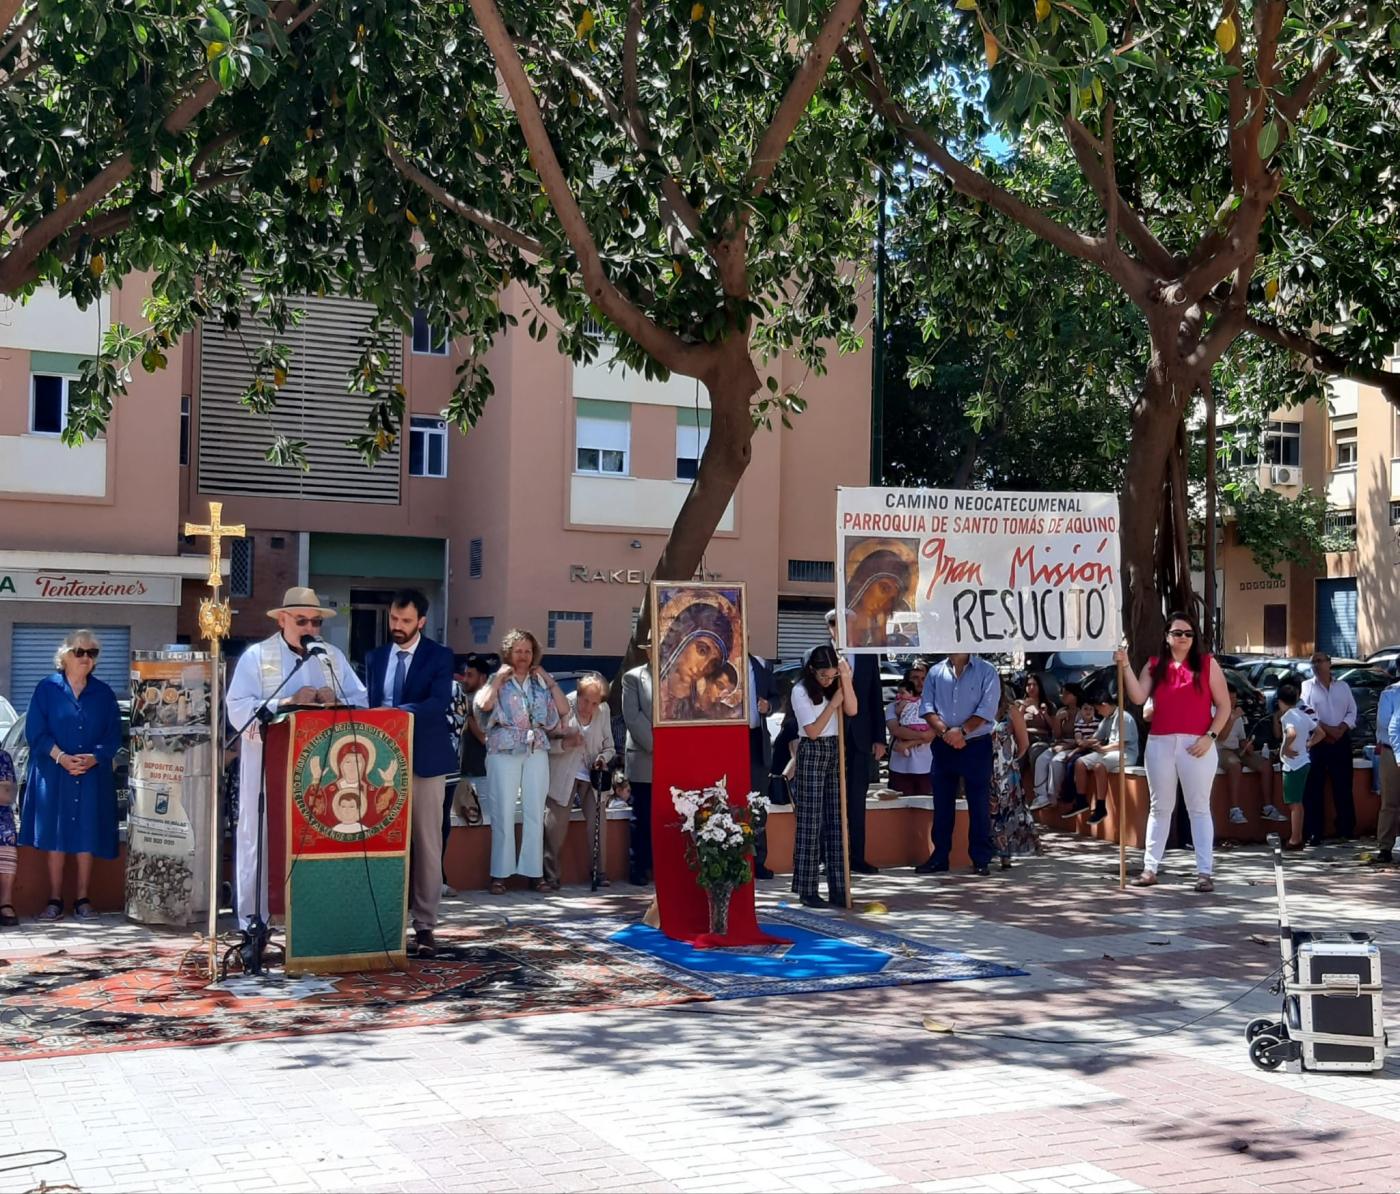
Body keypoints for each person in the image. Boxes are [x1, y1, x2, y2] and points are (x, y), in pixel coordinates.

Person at [226, 587, 368, 928]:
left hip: (319, 770)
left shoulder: (331, 656)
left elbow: (361, 700)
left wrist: (336, 698)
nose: (310, 629)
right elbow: (238, 708)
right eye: (301, 621)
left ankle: (315, 919)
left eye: (316, 622)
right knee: (259, 838)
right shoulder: (257, 657)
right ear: (282, 619)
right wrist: (287, 702)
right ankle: (253, 920)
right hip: (268, 768)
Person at [365, 589, 456, 959]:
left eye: (405, 621)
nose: (397, 627)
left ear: (421, 621)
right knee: (380, 842)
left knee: (427, 845)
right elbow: (368, 703)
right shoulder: (374, 657)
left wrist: (394, 716)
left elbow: (437, 703)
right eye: (393, 620)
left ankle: (425, 926)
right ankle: (383, 921)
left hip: (425, 761)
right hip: (379, 765)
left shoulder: (440, 656)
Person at [1116, 611, 1231, 892]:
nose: (1183, 638)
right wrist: (1126, 666)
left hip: (1197, 743)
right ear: (1167, 637)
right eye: (1177, 633)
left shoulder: (1207, 664)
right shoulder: (1154, 666)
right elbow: (1138, 697)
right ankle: (1150, 868)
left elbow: (1224, 706)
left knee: (1199, 808)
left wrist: (1210, 737)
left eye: (1188, 633)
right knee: (1160, 807)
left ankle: (1205, 872)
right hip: (1161, 742)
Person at [19, 629, 124, 921]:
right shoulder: (46, 689)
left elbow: (114, 734)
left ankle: (82, 898)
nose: (86, 658)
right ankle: (54, 898)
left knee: (87, 833)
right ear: (64, 655)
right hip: (54, 775)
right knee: (55, 833)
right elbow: (35, 733)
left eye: (92, 653)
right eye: (80, 652)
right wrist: (61, 757)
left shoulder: (103, 693)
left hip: (91, 774)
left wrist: (95, 757)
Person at [475, 628, 570, 893]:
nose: (523, 656)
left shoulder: (539, 683)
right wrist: (496, 682)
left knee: (533, 811)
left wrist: (549, 680)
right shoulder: (499, 680)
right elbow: (482, 706)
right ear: (508, 653)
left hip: (535, 748)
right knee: (503, 809)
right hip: (504, 748)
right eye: (518, 651)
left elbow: (562, 711)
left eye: (528, 651)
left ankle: (534, 872)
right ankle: (500, 874)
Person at [917, 652, 1000, 877]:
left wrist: (962, 732)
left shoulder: (987, 671)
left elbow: (987, 709)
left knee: (979, 804)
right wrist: (947, 732)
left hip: (975, 744)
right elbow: (926, 707)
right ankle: (940, 856)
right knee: (942, 803)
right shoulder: (935, 672)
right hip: (944, 743)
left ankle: (981, 858)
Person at [790, 644, 857, 908]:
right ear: (811, 671)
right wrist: (833, 705)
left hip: (835, 748)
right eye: (824, 676)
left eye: (832, 676)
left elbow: (852, 710)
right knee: (811, 821)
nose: (828, 681)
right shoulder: (800, 691)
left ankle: (840, 886)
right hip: (813, 749)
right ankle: (807, 888)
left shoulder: (836, 685)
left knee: (837, 818)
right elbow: (814, 730)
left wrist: (846, 681)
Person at [826, 608, 886, 875]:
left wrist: (879, 738)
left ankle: (857, 858)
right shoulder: (820, 655)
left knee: (857, 800)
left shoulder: (867, 656)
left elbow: (875, 698)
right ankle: (832, 859)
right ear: (831, 628)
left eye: (851, 624)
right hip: (830, 736)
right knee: (831, 799)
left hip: (860, 739)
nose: (846, 629)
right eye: (838, 625)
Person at [545, 673, 615, 889]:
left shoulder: (603, 711)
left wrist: (603, 759)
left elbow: (609, 747)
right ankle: (551, 876)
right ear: (579, 693)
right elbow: (546, 743)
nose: (589, 707)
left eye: (595, 703)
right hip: (563, 773)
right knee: (555, 826)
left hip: (591, 776)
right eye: (586, 700)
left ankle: (599, 872)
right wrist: (566, 744)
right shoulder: (563, 706)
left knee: (598, 823)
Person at [1300, 652, 1358, 844]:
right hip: (1318, 740)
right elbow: (1306, 712)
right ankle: (1314, 832)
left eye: (1319, 661)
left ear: (1329, 663)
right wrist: (1326, 730)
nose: (1316, 665)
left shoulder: (1343, 686)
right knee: (1314, 788)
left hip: (1340, 740)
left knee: (1343, 786)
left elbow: (1352, 711)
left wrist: (1340, 729)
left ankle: (1345, 828)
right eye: (1313, 662)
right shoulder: (1307, 686)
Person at [1070, 688, 1141, 826]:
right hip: (1109, 752)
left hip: (1126, 753)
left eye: (1098, 709)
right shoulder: (1107, 718)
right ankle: (1081, 800)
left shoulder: (1123, 717)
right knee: (1080, 762)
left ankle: (1101, 806)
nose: (1098, 712)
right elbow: (1097, 736)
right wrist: (1083, 742)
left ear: (1105, 705)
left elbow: (1121, 744)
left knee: (1099, 766)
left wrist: (1102, 748)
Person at [1217, 688, 1287, 826]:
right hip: (1220, 749)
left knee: (1266, 765)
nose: (1233, 701)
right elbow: (1221, 737)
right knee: (1234, 764)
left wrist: (1247, 745)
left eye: (1234, 698)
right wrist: (1232, 718)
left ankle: (1267, 808)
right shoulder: (1216, 712)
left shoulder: (1237, 714)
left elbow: (1241, 738)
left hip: (1237, 748)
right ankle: (1235, 810)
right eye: (1230, 698)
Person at [657, 601, 736, 722]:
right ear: (682, 638)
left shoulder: (694, 706)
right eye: (702, 650)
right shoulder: (651, 684)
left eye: (713, 663)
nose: (703, 667)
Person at [989, 682, 1034, 868]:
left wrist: (1010, 763)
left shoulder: (1012, 711)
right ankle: (988, 851)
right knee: (988, 811)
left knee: (1007, 811)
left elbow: (1024, 743)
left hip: (1006, 771)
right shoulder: (980, 709)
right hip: (984, 767)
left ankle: (1006, 855)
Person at [621, 658, 654, 885]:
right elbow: (632, 717)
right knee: (642, 816)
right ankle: (638, 867)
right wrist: (658, 745)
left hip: (673, 760)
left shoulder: (681, 675)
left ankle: (660, 866)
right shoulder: (633, 677)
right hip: (645, 756)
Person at [1279, 681, 1324, 850]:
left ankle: (1295, 838)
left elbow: (1291, 733)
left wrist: (1284, 749)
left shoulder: (1287, 716)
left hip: (1293, 764)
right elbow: (1320, 732)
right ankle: (1297, 835)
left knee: (1294, 803)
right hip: (1304, 760)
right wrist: (1309, 744)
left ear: (1280, 701)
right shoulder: (1302, 714)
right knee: (1298, 802)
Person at [747, 654, 776, 879]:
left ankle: (759, 861)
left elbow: (776, 696)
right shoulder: (719, 663)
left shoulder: (761, 664)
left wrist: (769, 706)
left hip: (756, 740)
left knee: (758, 803)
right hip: (729, 738)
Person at [886, 675, 934, 795]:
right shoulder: (893, 706)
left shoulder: (933, 705)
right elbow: (896, 730)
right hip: (899, 768)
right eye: (914, 678)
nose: (919, 682)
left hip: (927, 767)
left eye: (923, 678)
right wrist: (922, 736)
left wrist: (909, 742)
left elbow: (932, 734)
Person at [1021, 673, 1059, 811]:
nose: (1031, 688)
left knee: (1035, 753)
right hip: (1023, 738)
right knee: (1016, 760)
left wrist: (1043, 713)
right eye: (1028, 685)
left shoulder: (1048, 705)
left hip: (1040, 739)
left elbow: (1054, 728)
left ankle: (1040, 795)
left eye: (1034, 684)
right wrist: (1022, 708)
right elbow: (1014, 724)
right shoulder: (1020, 704)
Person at [1377, 668, 1400, 864]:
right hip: (1391, 751)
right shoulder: (1391, 693)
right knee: (1390, 802)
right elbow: (1386, 723)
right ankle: (1385, 847)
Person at [1, 747, 18, 927]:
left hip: (1, 815)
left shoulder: (3, 757)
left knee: (7, 834)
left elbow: (7, 795)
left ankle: (5, 902)